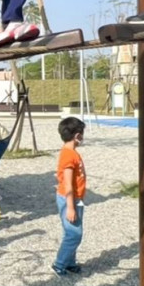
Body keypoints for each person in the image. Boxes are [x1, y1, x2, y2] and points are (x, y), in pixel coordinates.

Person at [53, 117, 87, 275]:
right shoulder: (69, 155)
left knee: (71, 231)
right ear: (77, 136)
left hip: (75, 199)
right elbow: (67, 184)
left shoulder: (71, 153)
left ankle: (70, 262)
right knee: (74, 234)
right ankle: (59, 263)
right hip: (69, 199)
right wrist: (70, 207)